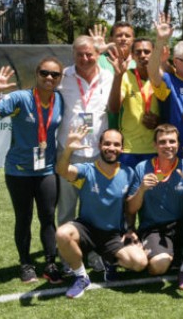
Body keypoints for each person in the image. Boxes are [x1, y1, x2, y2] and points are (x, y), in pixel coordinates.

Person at [0, 59, 64, 283]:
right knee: (23, 218)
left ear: (60, 78)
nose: (49, 78)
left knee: (47, 217)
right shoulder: (20, 98)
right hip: (18, 171)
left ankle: (50, 262)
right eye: (45, 73)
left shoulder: (60, 100)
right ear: (37, 74)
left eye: (54, 75)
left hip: (46, 169)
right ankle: (26, 264)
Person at [55, 127, 148, 299]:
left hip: (112, 234)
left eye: (116, 144)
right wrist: (68, 149)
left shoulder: (129, 173)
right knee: (62, 233)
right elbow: (62, 171)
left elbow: (130, 208)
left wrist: (130, 229)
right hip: (87, 229)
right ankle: (81, 276)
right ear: (99, 145)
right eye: (107, 143)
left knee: (140, 262)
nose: (111, 148)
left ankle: (110, 260)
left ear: (122, 148)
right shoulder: (87, 169)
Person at [126, 124, 183, 290]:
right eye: (163, 142)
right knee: (159, 266)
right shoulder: (142, 168)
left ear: (178, 144)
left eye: (172, 141)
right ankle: (158, 255)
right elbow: (130, 208)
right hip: (154, 228)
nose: (168, 146)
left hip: (180, 225)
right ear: (155, 145)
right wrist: (142, 189)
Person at [56, 35, 115, 227]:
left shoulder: (109, 77)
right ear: (73, 54)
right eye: (79, 54)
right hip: (69, 151)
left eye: (89, 54)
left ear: (98, 54)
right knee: (67, 206)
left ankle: (94, 251)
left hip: (98, 152)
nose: (84, 59)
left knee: (95, 204)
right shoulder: (62, 77)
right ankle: (66, 253)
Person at [148, 14, 183, 158]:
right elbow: (152, 71)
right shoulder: (168, 81)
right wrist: (160, 41)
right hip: (173, 151)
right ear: (176, 62)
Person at [108, 38, 164, 168]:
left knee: (152, 187)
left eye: (147, 51)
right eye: (138, 52)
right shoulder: (125, 76)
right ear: (132, 56)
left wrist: (159, 122)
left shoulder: (162, 78)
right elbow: (114, 108)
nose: (142, 55)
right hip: (129, 149)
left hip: (156, 148)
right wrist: (118, 76)